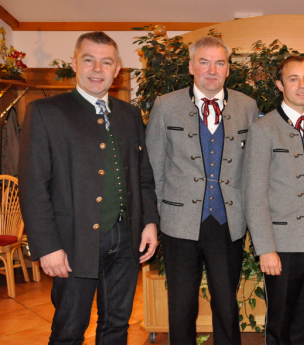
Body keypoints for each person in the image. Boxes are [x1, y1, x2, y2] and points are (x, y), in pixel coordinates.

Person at [18, 31, 159, 345]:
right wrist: (47, 246)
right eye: (89, 60)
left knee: (116, 328)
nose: (98, 68)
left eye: (106, 62)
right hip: (72, 243)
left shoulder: (130, 114)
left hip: (126, 241)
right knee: (69, 330)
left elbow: (143, 175)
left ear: (117, 69)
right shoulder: (46, 113)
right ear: (74, 63)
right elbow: (32, 185)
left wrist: (149, 222)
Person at [145, 36, 259, 345]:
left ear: (228, 69)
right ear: (192, 66)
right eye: (204, 62)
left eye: (219, 63)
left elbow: (254, 170)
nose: (212, 70)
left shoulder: (247, 106)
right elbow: (152, 170)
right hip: (178, 224)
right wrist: (151, 222)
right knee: (181, 305)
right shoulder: (165, 106)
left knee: (226, 303)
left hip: (227, 222)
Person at [242, 56, 304, 344]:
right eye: (293, 79)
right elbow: (254, 193)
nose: (302, 85)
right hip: (281, 240)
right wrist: (265, 248)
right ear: (280, 85)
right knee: (281, 318)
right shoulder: (263, 130)